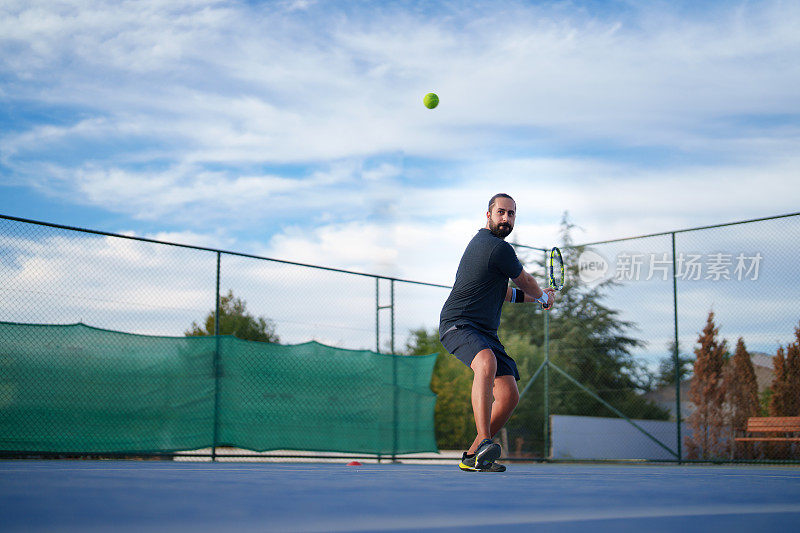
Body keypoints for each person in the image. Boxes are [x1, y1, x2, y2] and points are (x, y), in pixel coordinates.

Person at [439, 193, 556, 472]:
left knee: (509, 395)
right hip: (459, 323)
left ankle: (472, 457)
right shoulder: (494, 247)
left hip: (485, 332)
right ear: (488, 215)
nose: (506, 218)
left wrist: (536, 299)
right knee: (486, 361)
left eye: (511, 214)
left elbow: (504, 292)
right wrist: (542, 297)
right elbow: (525, 281)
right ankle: (485, 443)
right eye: (501, 212)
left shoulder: (493, 250)